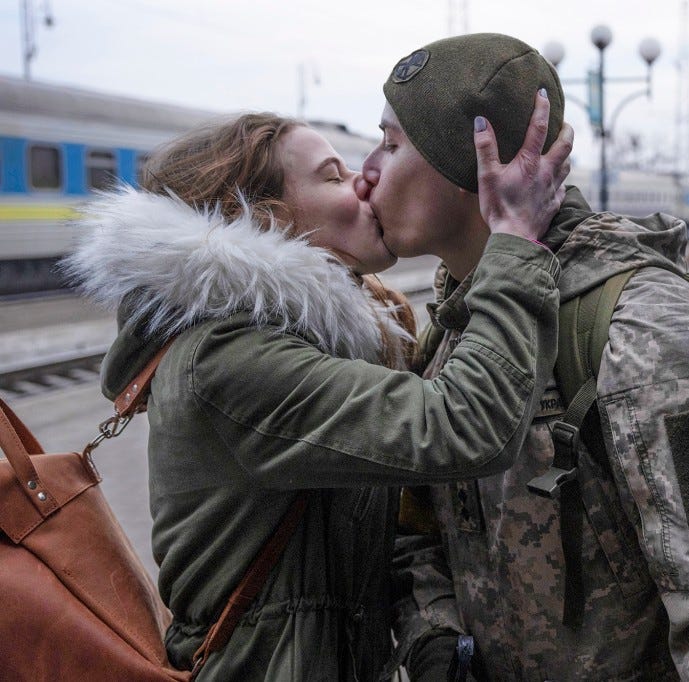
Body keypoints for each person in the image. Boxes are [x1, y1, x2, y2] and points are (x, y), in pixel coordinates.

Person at [358, 33, 689, 680]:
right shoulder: (464, 323)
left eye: (391, 143)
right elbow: (423, 531)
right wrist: (436, 641)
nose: (365, 171)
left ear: (476, 164)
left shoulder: (651, 339)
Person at [61, 100, 572, 680]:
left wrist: (428, 632)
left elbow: (386, 516)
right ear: (264, 216)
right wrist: (514, 246)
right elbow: (464, 426)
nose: (364, 180)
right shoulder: (226, 363)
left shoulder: (323, 341)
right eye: (333, 176)